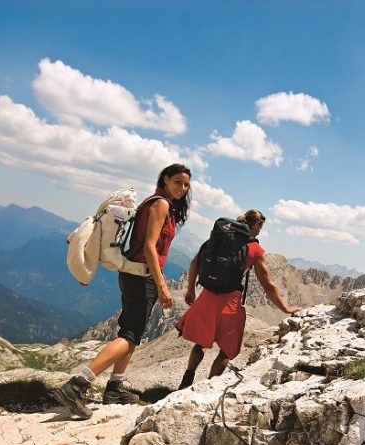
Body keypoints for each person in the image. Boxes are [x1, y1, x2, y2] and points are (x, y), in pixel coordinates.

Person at [54, 163, 192, 418]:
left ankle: (115, 387)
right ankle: (77, 385)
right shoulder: (161, 204)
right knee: (129, 336)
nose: (183, 188)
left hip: (131, 274)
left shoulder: (154, 202)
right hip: (143, 277)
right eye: (178, 182)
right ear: (165, 180)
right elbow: (151, 247)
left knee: (132, 332)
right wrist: (162, 285)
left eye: (186, 184)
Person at [176, 209, 301, 389]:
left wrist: (190, 291)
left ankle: (187, 378)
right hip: (230, 303)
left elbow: (195, 262)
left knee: (201, 343)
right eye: (260, 227)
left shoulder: (219, 238)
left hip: (207, 297)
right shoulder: (255, 249)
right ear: (257, 225)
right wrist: (285, 308)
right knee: (227, 350)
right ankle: (207, 387)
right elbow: (268, 284)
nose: (260, 231)